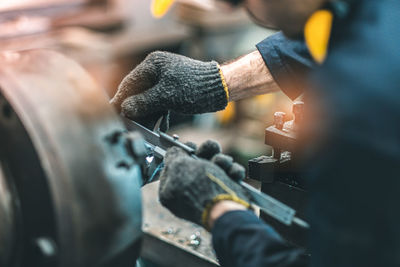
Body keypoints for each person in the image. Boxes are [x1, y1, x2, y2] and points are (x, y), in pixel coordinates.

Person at [111, 0, 400, 266]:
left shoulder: (362, 106)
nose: (230, 9)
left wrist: (219, 211)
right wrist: (217, 81)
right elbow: (346, 30)